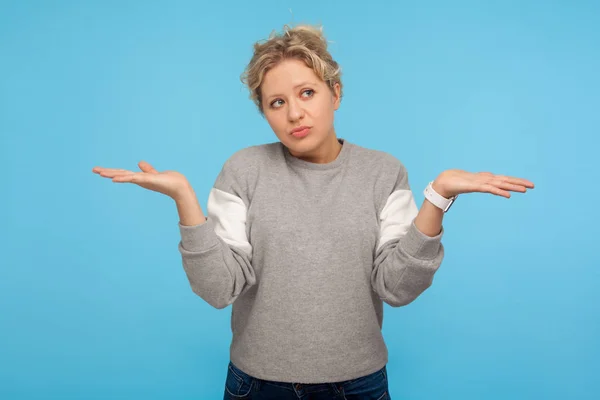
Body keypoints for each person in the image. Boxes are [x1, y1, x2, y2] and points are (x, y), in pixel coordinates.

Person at [92, 24, 534, 400]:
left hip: (359, 384)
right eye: (277, 102)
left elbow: (396, 287)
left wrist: (436, 198)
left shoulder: (383, 172)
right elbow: (218, 288)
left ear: (335, 93)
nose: (295, 113)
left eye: (307, 92)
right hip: (256, 383)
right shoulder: (243, 170)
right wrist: (185, 201)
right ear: (264, 112)